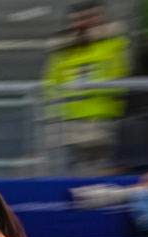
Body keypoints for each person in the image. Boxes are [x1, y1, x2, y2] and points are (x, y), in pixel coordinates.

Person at [42, 0, 130, 175]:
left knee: (102, 173)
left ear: (100, 17)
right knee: (69, 173)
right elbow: (51, 84)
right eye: (79, 19)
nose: (84, 22)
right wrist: (51, 120)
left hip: (103, 121)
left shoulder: (115, 43)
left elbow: (120, 77)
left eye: (90, 17)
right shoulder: (63, 49)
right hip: (68, 124)